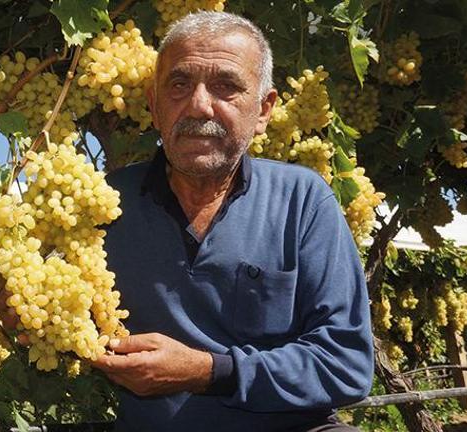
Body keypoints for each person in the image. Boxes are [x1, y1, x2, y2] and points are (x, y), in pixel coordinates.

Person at [90, 11, 374, 432]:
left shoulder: (303, 199)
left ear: (263, 110)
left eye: (226, 86)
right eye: (179, 85)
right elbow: (63, 315)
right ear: (153, 106)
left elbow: (345, 363)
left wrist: (208, 371)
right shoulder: (106, 203)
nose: (199, 104)